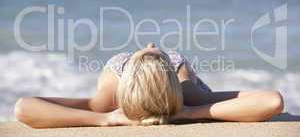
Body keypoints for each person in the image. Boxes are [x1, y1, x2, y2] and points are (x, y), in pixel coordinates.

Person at [14, 42, 284, 128]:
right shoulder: (186, 93)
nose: (152, 44)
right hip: (145, 78)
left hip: (147, 79)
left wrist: (105, 118)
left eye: (151, 50)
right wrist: (192, 112)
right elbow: (270, 101)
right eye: (154, 51)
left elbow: (25, 107)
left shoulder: (105, 102)